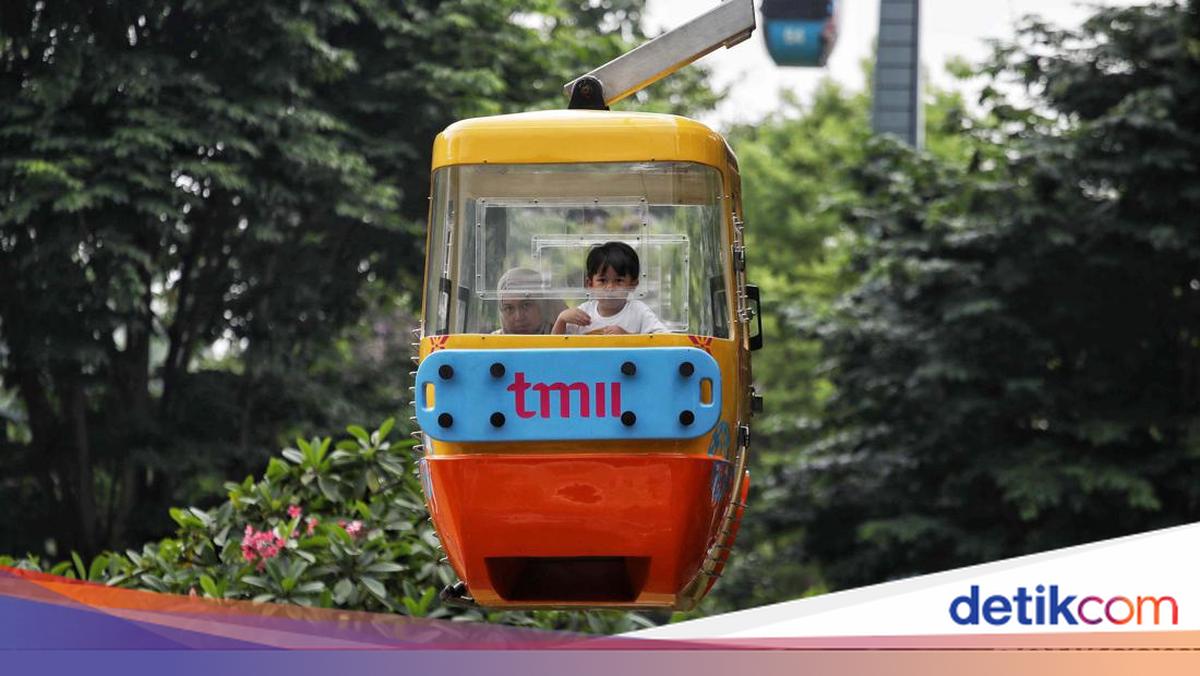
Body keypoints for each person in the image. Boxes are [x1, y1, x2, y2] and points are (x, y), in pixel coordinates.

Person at [552, 241, 667, 335]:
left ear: (633, 284)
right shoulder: (583, 312)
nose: (610, 288)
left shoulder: (639, 311)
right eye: (602, 280)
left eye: (619, 281)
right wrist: (561, 320)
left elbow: (663, 339)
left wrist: (627, 338)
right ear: (589, 284)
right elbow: (555, 348)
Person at [494, 267, 561, 335]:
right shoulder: (492, 340)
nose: (519, 317)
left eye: (526, 305)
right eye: (509, 308)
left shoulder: (563, 336)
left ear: (542, 306)